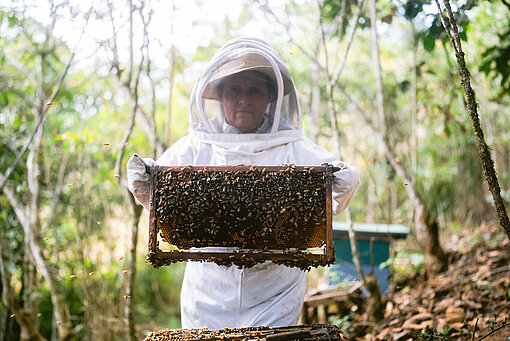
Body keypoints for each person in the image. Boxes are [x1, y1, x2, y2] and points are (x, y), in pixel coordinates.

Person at [127, 37, 360, 329]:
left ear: (269, 98)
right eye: (235, 90)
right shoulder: (196, 147)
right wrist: (142, 175)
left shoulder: (293, 147)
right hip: (208, 289)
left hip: (275, 289)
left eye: (255, 90)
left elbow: (341, 186)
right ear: (220, 96)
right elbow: (154, 192)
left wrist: (343, 176)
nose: (244, 100)